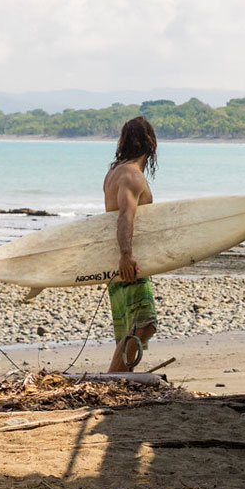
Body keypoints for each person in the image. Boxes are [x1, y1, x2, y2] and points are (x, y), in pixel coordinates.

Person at [101, 116, 159, 372]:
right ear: (150, 142)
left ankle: (119, 377)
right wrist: (126, 255)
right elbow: (125, 216)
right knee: (144, 324)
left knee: (131, 327)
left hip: (115, 261)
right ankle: (113, 377)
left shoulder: (114, 173)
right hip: (127, 262)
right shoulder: (132, 177)